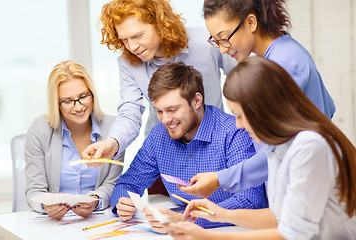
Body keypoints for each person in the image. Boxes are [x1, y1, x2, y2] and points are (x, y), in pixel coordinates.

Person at [165, 56, 356, 239]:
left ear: (264, 109)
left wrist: (207, 237)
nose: (238, 125)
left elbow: (292, 234)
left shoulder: (310, 146)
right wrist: (221, 214)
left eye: (240, 115)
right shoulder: (276, 149)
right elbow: (280, 218)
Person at [179, 0, 336, 198]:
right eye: (215, 40)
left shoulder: (283, 63)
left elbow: (275, 151)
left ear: (251, 22)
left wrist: (220, 179)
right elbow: (328, 107)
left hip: (303, 189)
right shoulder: (285, 53)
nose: (222, 49)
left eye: (224, 38)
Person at [81, 0, 236, 174]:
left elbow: (246, 80)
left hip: (214, 150)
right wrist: (112, 142)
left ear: (160, 24)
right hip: (165, 156)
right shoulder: (128, 63)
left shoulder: (207, 44)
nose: (132, 46)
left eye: (138, 36)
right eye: (124, 39)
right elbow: (130, 110)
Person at [111, 62, 265, 232]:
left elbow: (250, 200)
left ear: (196, 100)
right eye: (159, 111)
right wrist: (123, 203)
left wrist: (187, 221)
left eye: (172, 109)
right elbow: (128, 183)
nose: (165, 120)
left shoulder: (234, 132)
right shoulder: (159, 135)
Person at [25, 60, 124, 220]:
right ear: (57, 104)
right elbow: (34, 190)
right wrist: (45, 205)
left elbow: (112, 183)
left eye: (84, 96)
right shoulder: (40, 129)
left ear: (93, 95)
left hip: (97, 219)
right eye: (68, 101)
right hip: (52, 223)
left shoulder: (114, 129)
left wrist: (96, 200)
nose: (78, 107)